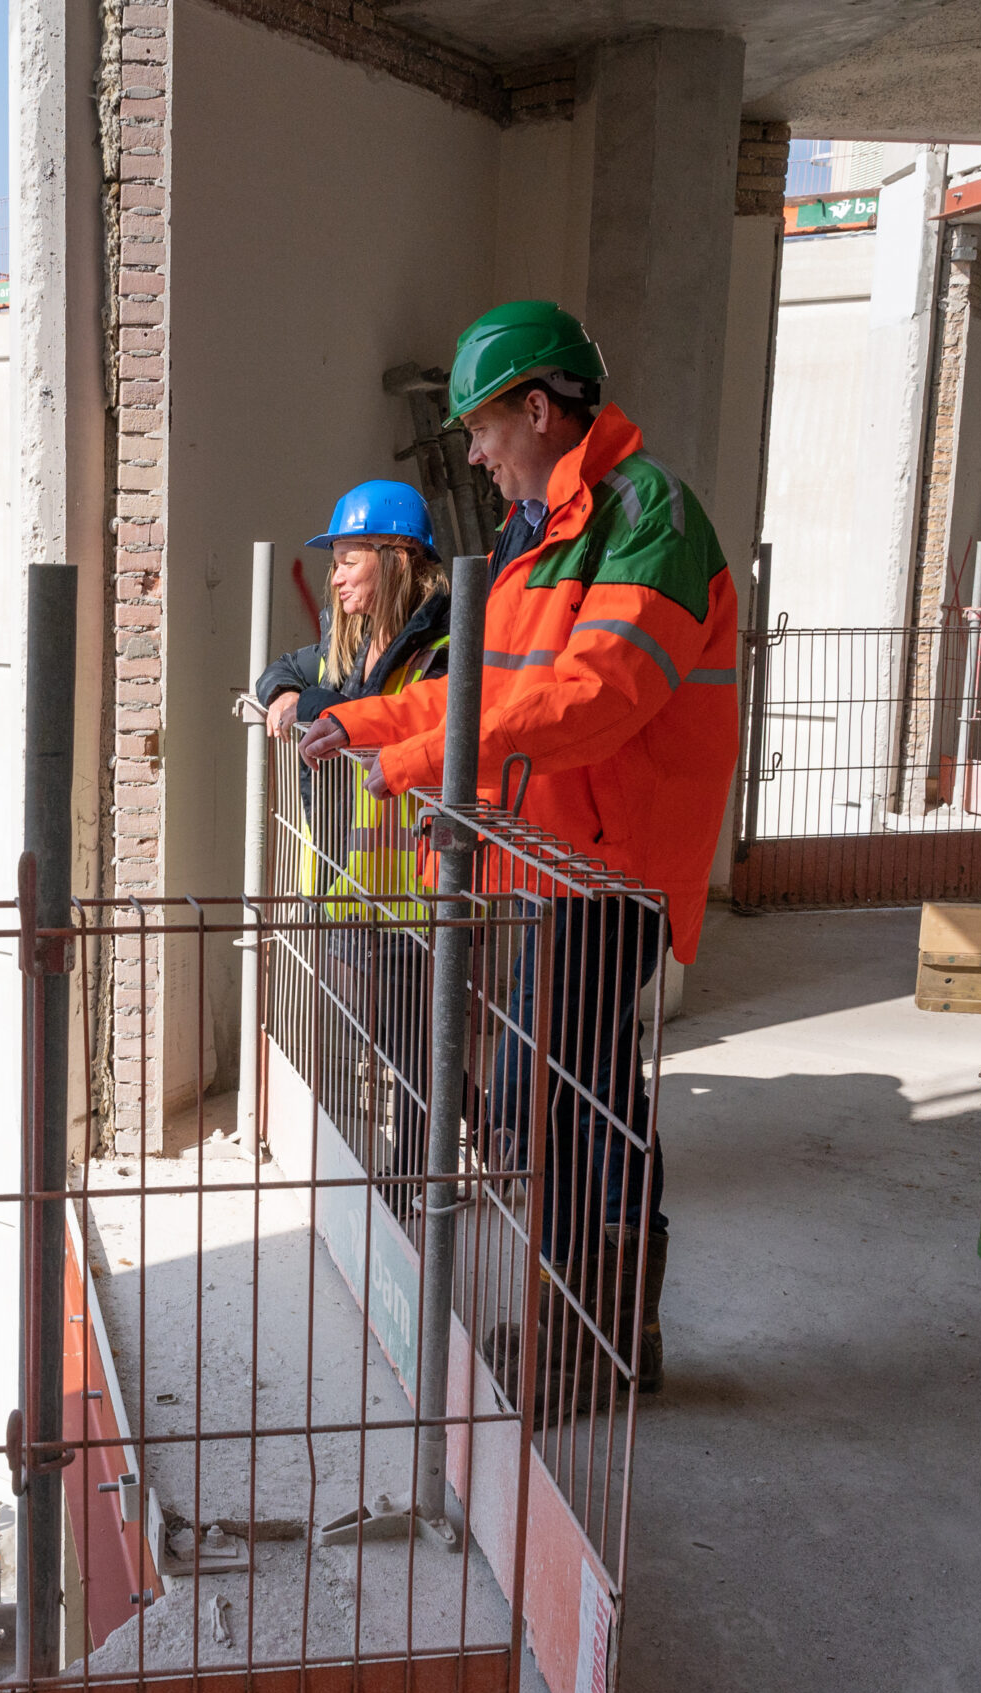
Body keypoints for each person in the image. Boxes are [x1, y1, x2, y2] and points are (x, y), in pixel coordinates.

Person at [300, 302, 741, 1401]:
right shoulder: (535, 532)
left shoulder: (647, 515)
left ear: (538, 410)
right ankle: (606, 1327)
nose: (477, 455)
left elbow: (597, 698)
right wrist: (364, 722)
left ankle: (587, 1337)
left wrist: (425, 763)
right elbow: (483, 692)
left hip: (613, 864)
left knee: (561, 1094)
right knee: (576, 1088)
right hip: (557, 853)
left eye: (484, 429)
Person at [255, 479, 450, 1212]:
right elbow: (288, 669)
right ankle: (465, 1129)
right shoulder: (355, 643)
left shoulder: (442, 646)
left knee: (411, 1046)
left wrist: (311, 706)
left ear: (396, 558)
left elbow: (397, 721)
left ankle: (412, 1186)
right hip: (353, 882)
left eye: (348, 558)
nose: (334, 577)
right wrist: (284, 693)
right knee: (386, 1035)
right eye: (331, 562)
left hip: (414, 887)